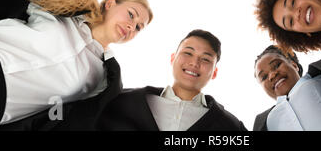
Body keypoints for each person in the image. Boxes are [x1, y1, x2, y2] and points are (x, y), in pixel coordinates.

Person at [0, 0, 153, 130]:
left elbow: (66, 118)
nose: (132, 26)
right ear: (110, 3)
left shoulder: (104, 78)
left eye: (138, 27)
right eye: (131, 15)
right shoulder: (64, 9)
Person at [97, 29, 247, 130]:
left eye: (206, 59)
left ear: (214, 73)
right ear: (172, 59)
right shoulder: (121, 101)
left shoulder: (231, 127)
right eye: (188, 53)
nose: (194, 63)